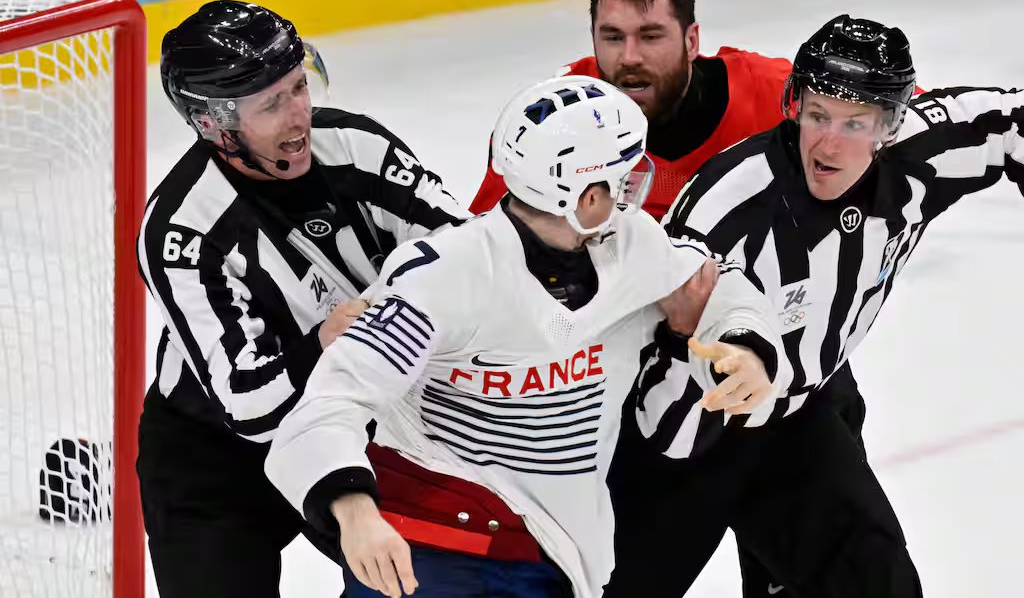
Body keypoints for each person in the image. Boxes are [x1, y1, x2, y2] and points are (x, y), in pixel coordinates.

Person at [603, 14, 1024, 598]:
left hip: (794, 424)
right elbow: (661, 374)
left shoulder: (915, 158)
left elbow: (1012, 117)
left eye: (856, 123)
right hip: (678, 442)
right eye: (819, 115)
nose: (829, 141)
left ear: (891, 125)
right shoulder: (729, 204)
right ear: (794, 104)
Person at [264, 75, 788, 598]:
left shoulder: (630, 246)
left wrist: (745, 343)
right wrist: (354, 512)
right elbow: (330, 402)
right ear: (585, 198)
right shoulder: (445, 277)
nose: (634, 189)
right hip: (429, 545)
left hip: (553, 551)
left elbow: (714, 283)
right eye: (623, 176)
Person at [136, 0, 470, 598]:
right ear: (215, 125)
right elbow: (249, 404)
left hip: (350, 423)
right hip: (213, 460)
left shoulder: (357, 147)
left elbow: (473, 255)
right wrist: (324, 342)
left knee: (424, 581)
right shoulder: (182, 229)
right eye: (270, 104)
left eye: (298, 87)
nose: (299, 116)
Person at [469, 0, 793, 219]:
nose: (630, 57)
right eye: (613, 37)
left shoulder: (775, 96)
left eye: (650, 36)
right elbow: (491, 249)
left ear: (691, 41)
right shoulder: (548, 123)